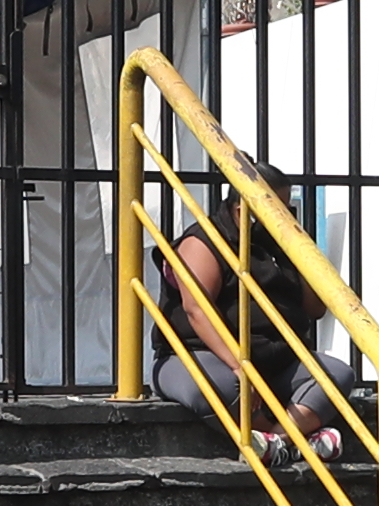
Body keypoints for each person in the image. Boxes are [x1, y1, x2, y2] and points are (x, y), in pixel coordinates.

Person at [145, 194, 356, 457]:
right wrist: (239, 365)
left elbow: (315, 309)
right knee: (212, 385)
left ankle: (277, 443)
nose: (283, 214)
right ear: (241, 209)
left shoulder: (278, 244)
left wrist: (300, 254)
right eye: (275, 206)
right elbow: (197, 310)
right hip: (201, 356)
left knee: (338, 374)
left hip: (273, 362)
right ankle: (295, 440)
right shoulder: (204, 241)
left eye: (287, 207)